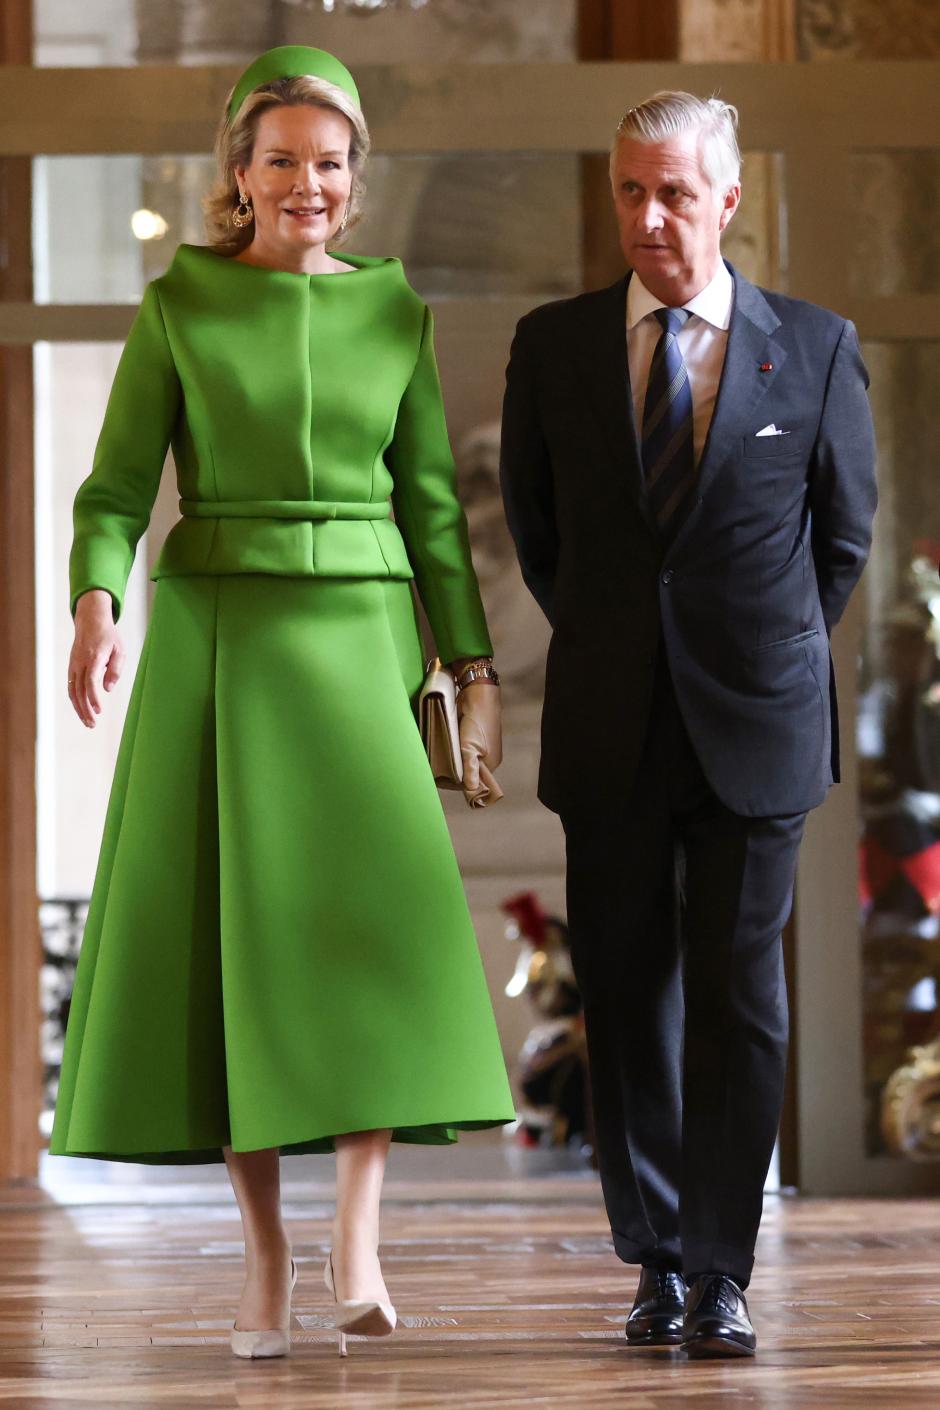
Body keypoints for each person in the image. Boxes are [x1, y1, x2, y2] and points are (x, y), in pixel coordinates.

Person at [51, 44, 514, 1361]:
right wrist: (97, 603)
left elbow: (433, 512)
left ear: (355, 181)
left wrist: (471, 670)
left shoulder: (397, 314)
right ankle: (263, 1259)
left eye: (330, 162)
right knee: (238, 950)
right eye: (281, 161)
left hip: (365, 646)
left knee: (367, 938)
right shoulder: (181, 305)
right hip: (219, 643)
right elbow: (113, 490)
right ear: (237, 178)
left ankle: (354, 1239)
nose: (306, 182)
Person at [499, 91, 877, 1358]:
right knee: (628, 992)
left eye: (673, 192)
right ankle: (653, 1260)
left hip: (756, 728)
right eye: (628, 191)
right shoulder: (552, 346)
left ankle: (722, 1269)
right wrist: (628, 640)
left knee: (738, 999)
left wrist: (748, 652)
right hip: (610, 723)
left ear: (727, 197)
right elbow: (543, 539)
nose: (648, 217)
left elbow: (841, 540)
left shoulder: (814, 347)